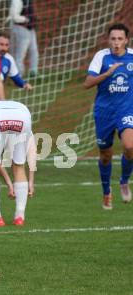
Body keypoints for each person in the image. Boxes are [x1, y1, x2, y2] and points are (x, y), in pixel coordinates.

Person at [83, 23, 133, 209]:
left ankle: (124, 180)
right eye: (113, 39)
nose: (116, 42)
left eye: (120, 39)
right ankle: (106, 192)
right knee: (105, 155)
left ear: (126, 40)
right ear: (108, 39)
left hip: (126, 111)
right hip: (104, 112)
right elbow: (87, 83)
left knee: (130, 146)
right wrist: (107, 73)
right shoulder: (101, 56)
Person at [0, 100, 36, 226]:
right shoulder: (24, 112)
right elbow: (32, 154)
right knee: (19, 166)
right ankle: (20, 217)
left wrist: (8, 182)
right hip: (22, 118)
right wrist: (31, 181)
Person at [9, 0, 39, 76]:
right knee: (20, 54)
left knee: (34, 50)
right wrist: (26, 19)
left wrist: (33, 18)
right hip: (21, 28)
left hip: (30, 28)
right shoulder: (17, 1)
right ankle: (18, 75)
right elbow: (14, 17)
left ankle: (33, 71)